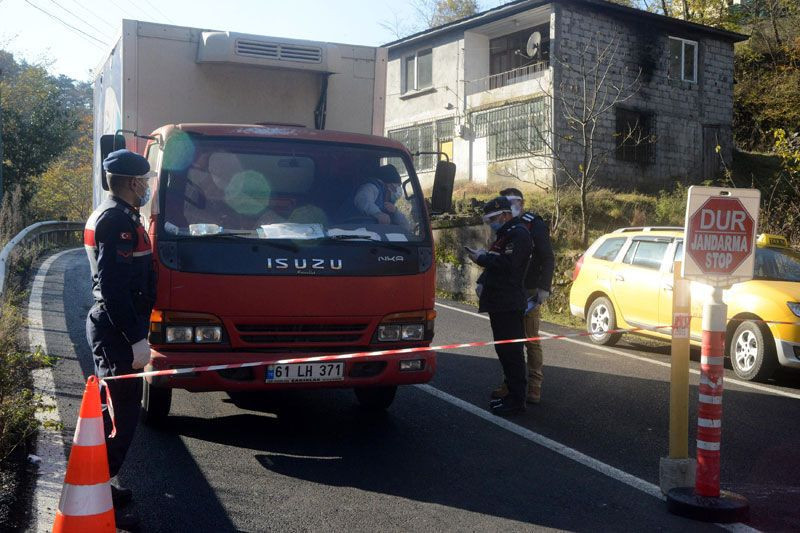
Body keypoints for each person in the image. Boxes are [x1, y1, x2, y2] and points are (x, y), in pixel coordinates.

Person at [84, 149, 157, 530]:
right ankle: (96, 487)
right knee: (120, 416)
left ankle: (99, 483)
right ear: (132, 183)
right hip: (116, 330)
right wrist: (134, 339)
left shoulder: (117, 214)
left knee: (113, 412)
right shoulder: (117, 222)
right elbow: (112, 289)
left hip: (117, 327)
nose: (146, 187)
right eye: (144, 181)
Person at [468, 196, 532, 416]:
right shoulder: (505, 235)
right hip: (499, 302)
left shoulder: (518, 234)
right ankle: (511, 395)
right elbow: (497, 264)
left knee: (512, 353)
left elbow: (509, 266)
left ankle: (517, 400)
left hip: (508, 303)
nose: (492, 223)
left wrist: (482, 259)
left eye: (494, 218)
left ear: (505, 214)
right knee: (504, 351)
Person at [491, 187, 555, 404]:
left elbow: (547, 256)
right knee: (510, 341)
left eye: (513, 201)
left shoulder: (533, 223)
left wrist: (543, 288)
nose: (510, 206)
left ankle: (535, 385)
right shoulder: (506, 227)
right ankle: (509, 383)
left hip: (528, 290)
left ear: (521, 202)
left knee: (530, 339)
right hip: (509, 290)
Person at [350, 164, 409, 228]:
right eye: (397, 185)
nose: (399, 190)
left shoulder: (389, 203)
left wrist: (395, 211)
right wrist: (378, 214)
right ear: (388, 185)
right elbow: (362, 200)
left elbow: (406, 227)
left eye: (399, 186)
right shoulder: (371, 187)